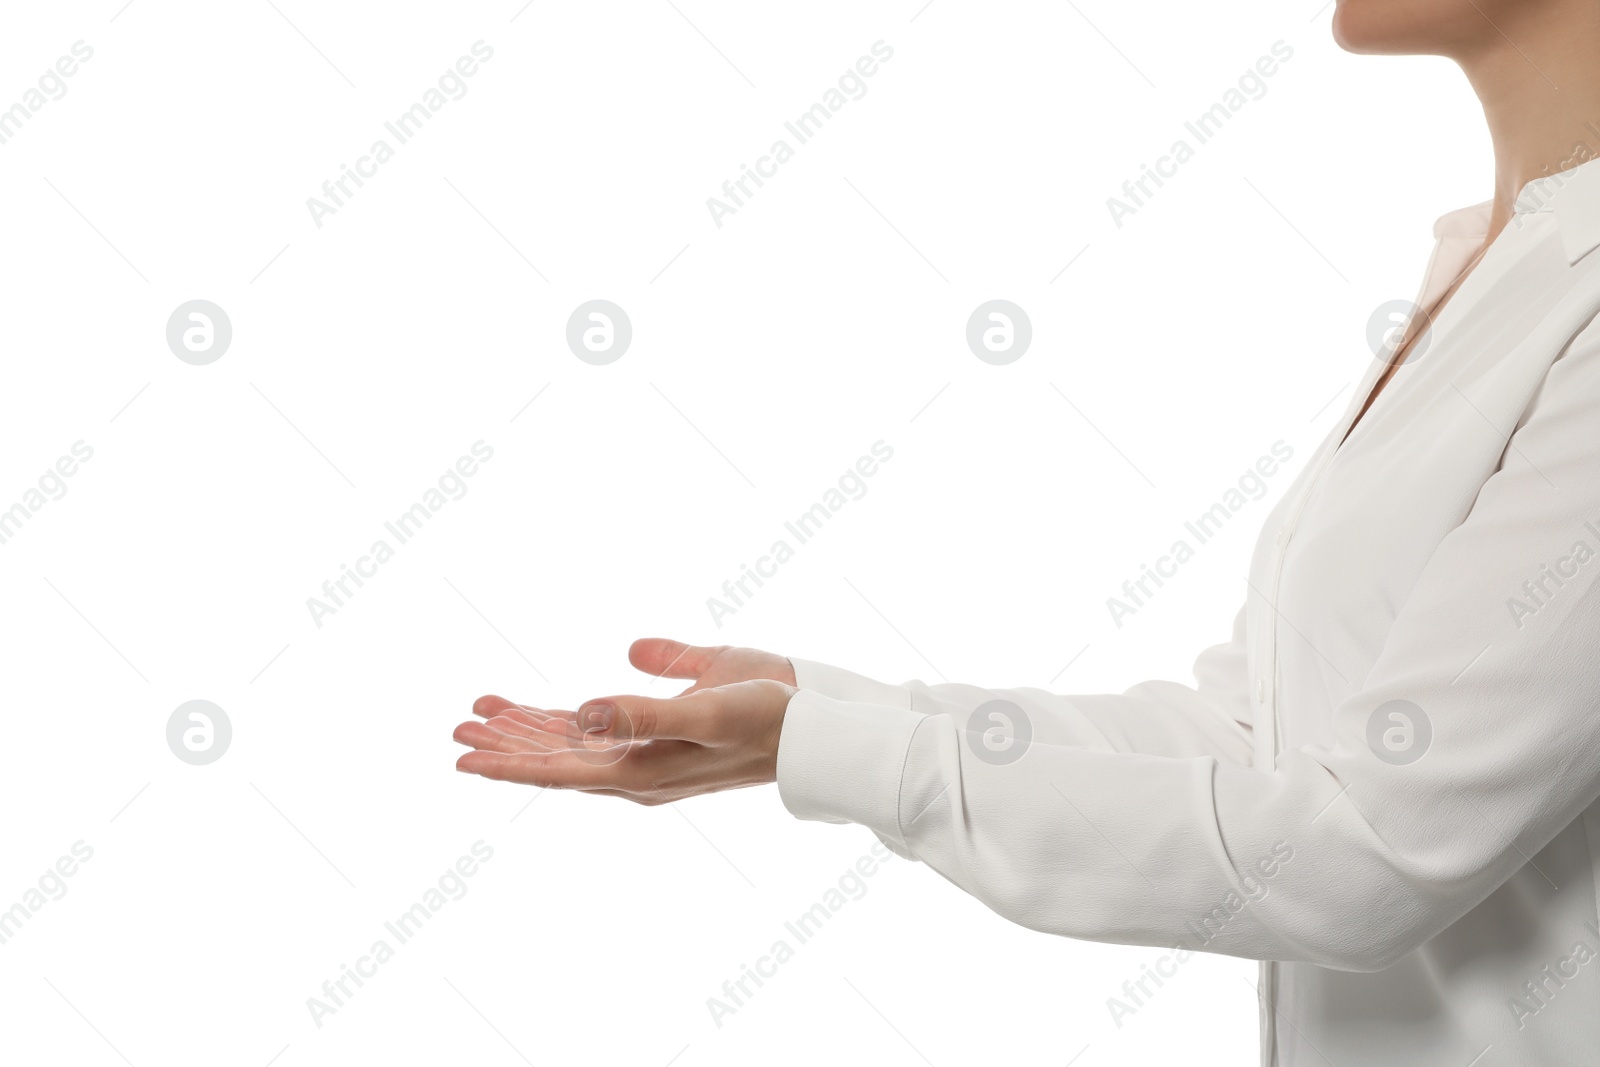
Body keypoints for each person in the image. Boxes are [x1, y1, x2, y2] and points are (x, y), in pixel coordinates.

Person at [452, 1, 1600, 1061]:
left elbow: (1360, 855)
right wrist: (825, 715)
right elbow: (1255, 735)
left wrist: (827, 752)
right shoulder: (1494, 267)